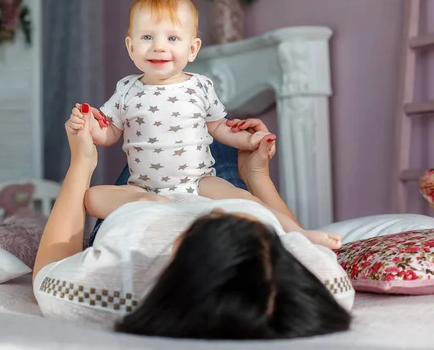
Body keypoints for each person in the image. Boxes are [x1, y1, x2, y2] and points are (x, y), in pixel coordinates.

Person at [33, 105, 353, 340]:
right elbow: (287, 229)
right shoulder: (319, 290)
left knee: (164, 129)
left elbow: (47, 270)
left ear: (177, 246)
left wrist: (82, 160)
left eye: (210, 218)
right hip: (221, 187)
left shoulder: (113, 283)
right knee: (214, 129)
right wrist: (256, 176)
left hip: (138, 206)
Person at [73, 0, 341, 250]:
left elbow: (218, 127)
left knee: (247, 201)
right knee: (93, 197)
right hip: (143, 188)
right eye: (147, 38)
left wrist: (249, 143)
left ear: (193, 48)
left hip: (199, 181)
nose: (158, 47)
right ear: (131, 47)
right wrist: (89, 128)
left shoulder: (200, 86)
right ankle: (153, 207)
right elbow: (110, 134)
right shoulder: (127, 89)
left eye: (172, 38)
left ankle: (297, 233)